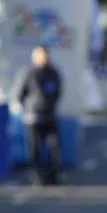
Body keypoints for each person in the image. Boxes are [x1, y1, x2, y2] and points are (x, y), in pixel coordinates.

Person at [13, 45, 62, 186]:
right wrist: (28, 109)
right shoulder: (28, 73)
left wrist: (51, 105)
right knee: (34, 150)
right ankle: (37, 177)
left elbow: (58, 91)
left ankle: (52, 176)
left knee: (54, 147)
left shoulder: (53, 72)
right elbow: (19, 94)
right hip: (33, 118)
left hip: (50, 116)